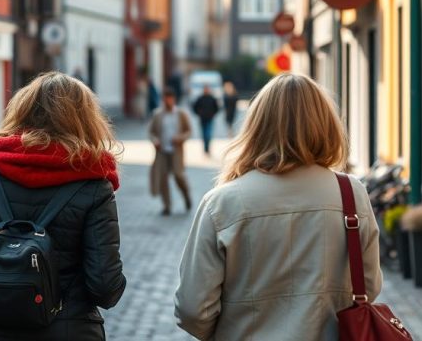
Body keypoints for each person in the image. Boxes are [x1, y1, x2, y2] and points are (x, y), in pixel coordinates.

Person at [175, 73, 382, 340]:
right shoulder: (351, 194)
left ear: (256, 127)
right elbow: (369, 286)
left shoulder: (222, 202)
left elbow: (193, 308)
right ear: (326, 125)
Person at [0, 72, 126, 340]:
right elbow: (105, 288)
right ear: (86, 119)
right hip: (68, 330)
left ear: (21, 110)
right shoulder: (93, 185)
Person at [148, 88, 192, 216]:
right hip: (162, 151)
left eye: (170, 99)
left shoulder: (181, 114)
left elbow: (188, 131)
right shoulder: (157, 114)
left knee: (179, 176)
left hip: (176, 152)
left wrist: (180, 139)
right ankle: (167, 206)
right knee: (163, 178)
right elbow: (151, 132)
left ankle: (186, 196)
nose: (168, 101)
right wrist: (155, 140)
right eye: (166, 99)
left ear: (174, 99)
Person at [191, 86, 220, 155]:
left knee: (208, 134)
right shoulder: (200, 98)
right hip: (202, 119)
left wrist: (213, 114)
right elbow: (194, 107)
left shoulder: (212, 98)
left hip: (210, 119)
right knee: (204, 134)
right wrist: (199, 113)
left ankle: (207, 148)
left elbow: (217, 108)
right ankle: (205, 148)